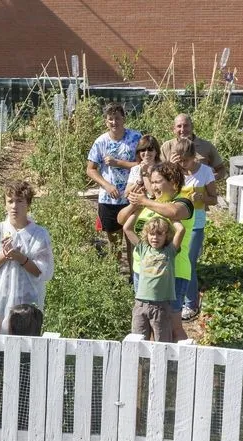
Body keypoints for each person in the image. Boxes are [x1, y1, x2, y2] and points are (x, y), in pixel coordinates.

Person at [116, 162, 194, 341]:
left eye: (158, 182)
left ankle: (184, 357)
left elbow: (174, 212)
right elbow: (121, 220)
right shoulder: (151, 202)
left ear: (173, 183)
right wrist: (135, 204)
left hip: (173, 274)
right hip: (143, 273)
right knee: (149, 323)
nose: (153, 186)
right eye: (151, 182)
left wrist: (144, 201)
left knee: (172, 326)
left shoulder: (184, 202)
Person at [0, 181, 54, 334]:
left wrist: (20, 258)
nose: (14, 206)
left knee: (25, 342)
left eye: (19, 201)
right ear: (5, 204)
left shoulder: (39, 234)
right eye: (10, 201)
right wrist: (4, 255)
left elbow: (41, 271)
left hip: (28, 300)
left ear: (28, 204)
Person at [86, 102, 141, 270]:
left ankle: (134, 277)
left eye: (117, 118)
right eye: (110, 119)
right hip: (109, 199)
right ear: (106, 121)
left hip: (133, 197)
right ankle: (115, 277)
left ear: (124, 119)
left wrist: (118, 163)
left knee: (133, 240)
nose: (114, 122)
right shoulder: (100, 142)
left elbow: (144, 164)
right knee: (114, 242)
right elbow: (90, 169)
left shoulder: (136, 138)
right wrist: (107, 185)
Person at [173, 138, 218, 321]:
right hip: (177, 222)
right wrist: (172, 167)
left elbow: (214, 199)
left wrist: (202, 197)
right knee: (176, 260)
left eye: (186, 160)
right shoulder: (175, 171)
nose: (183, 164)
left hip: (196, 224)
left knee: (189, 262)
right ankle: (177, 298)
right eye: (180, 160)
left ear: (194, 157)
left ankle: (191, 304)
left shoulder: (205, 171)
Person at [123, 215, 185, 342]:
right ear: (147, 235)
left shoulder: (170, 251)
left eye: (159, 234)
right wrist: (138, 208)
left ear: (167, 236)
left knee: (162, 344)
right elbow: (127, 228)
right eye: (151, 234)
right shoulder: (143, 248)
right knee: (138, 342)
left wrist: (171, 216)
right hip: (141, 304)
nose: (155, 237)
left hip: (161, 306)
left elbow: (181, 230)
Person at [161, 113, 227, 180]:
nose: (182, 129)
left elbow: (221, 169)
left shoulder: (206, 146)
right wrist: (170, 166)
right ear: (174, 129)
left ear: (192, 127)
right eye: (179, 126)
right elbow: (159, 173)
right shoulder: (167, 147)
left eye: (186, 125)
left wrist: (210, 178)